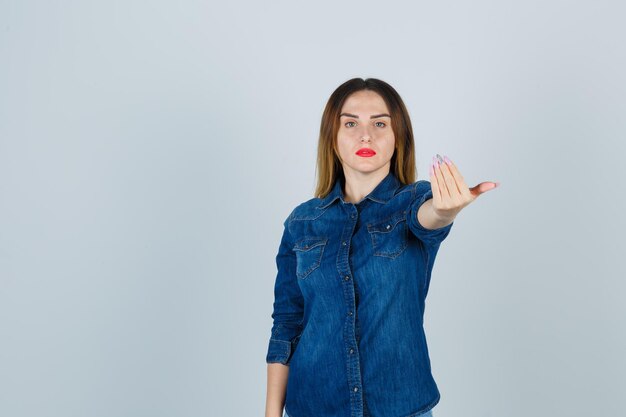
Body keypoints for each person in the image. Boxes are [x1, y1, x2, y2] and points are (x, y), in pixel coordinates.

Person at [264, 78, 499, 417]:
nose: (365, 135)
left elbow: (428, 218)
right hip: (314, 406)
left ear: (398, 136)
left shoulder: (414, 200)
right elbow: (287, 325)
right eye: (350, 123)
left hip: (401, 407)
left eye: (379, 123)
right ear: (332, 136)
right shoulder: (301, 222)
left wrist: (445, 210)